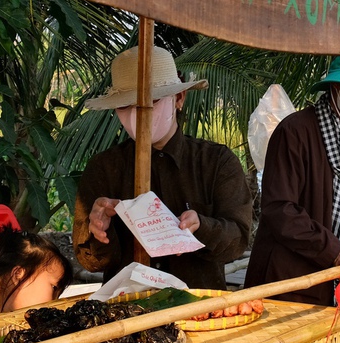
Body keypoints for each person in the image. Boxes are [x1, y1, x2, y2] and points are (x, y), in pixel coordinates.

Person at [73, 46, 254, 290]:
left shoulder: (216, 162)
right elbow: (92, 263)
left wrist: (201, 227)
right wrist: (97, 232)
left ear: (179, 98)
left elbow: (238, 241)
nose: (138, 114)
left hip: (199, 313)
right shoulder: (104, 168)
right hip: (127, 315)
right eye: (125, 105)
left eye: (152, 101)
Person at [244, 57, 340, 304]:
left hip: (335, 283)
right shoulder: (295, 131)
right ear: (337, 89)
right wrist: (333, 250)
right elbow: (280, 210)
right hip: (290, 284)